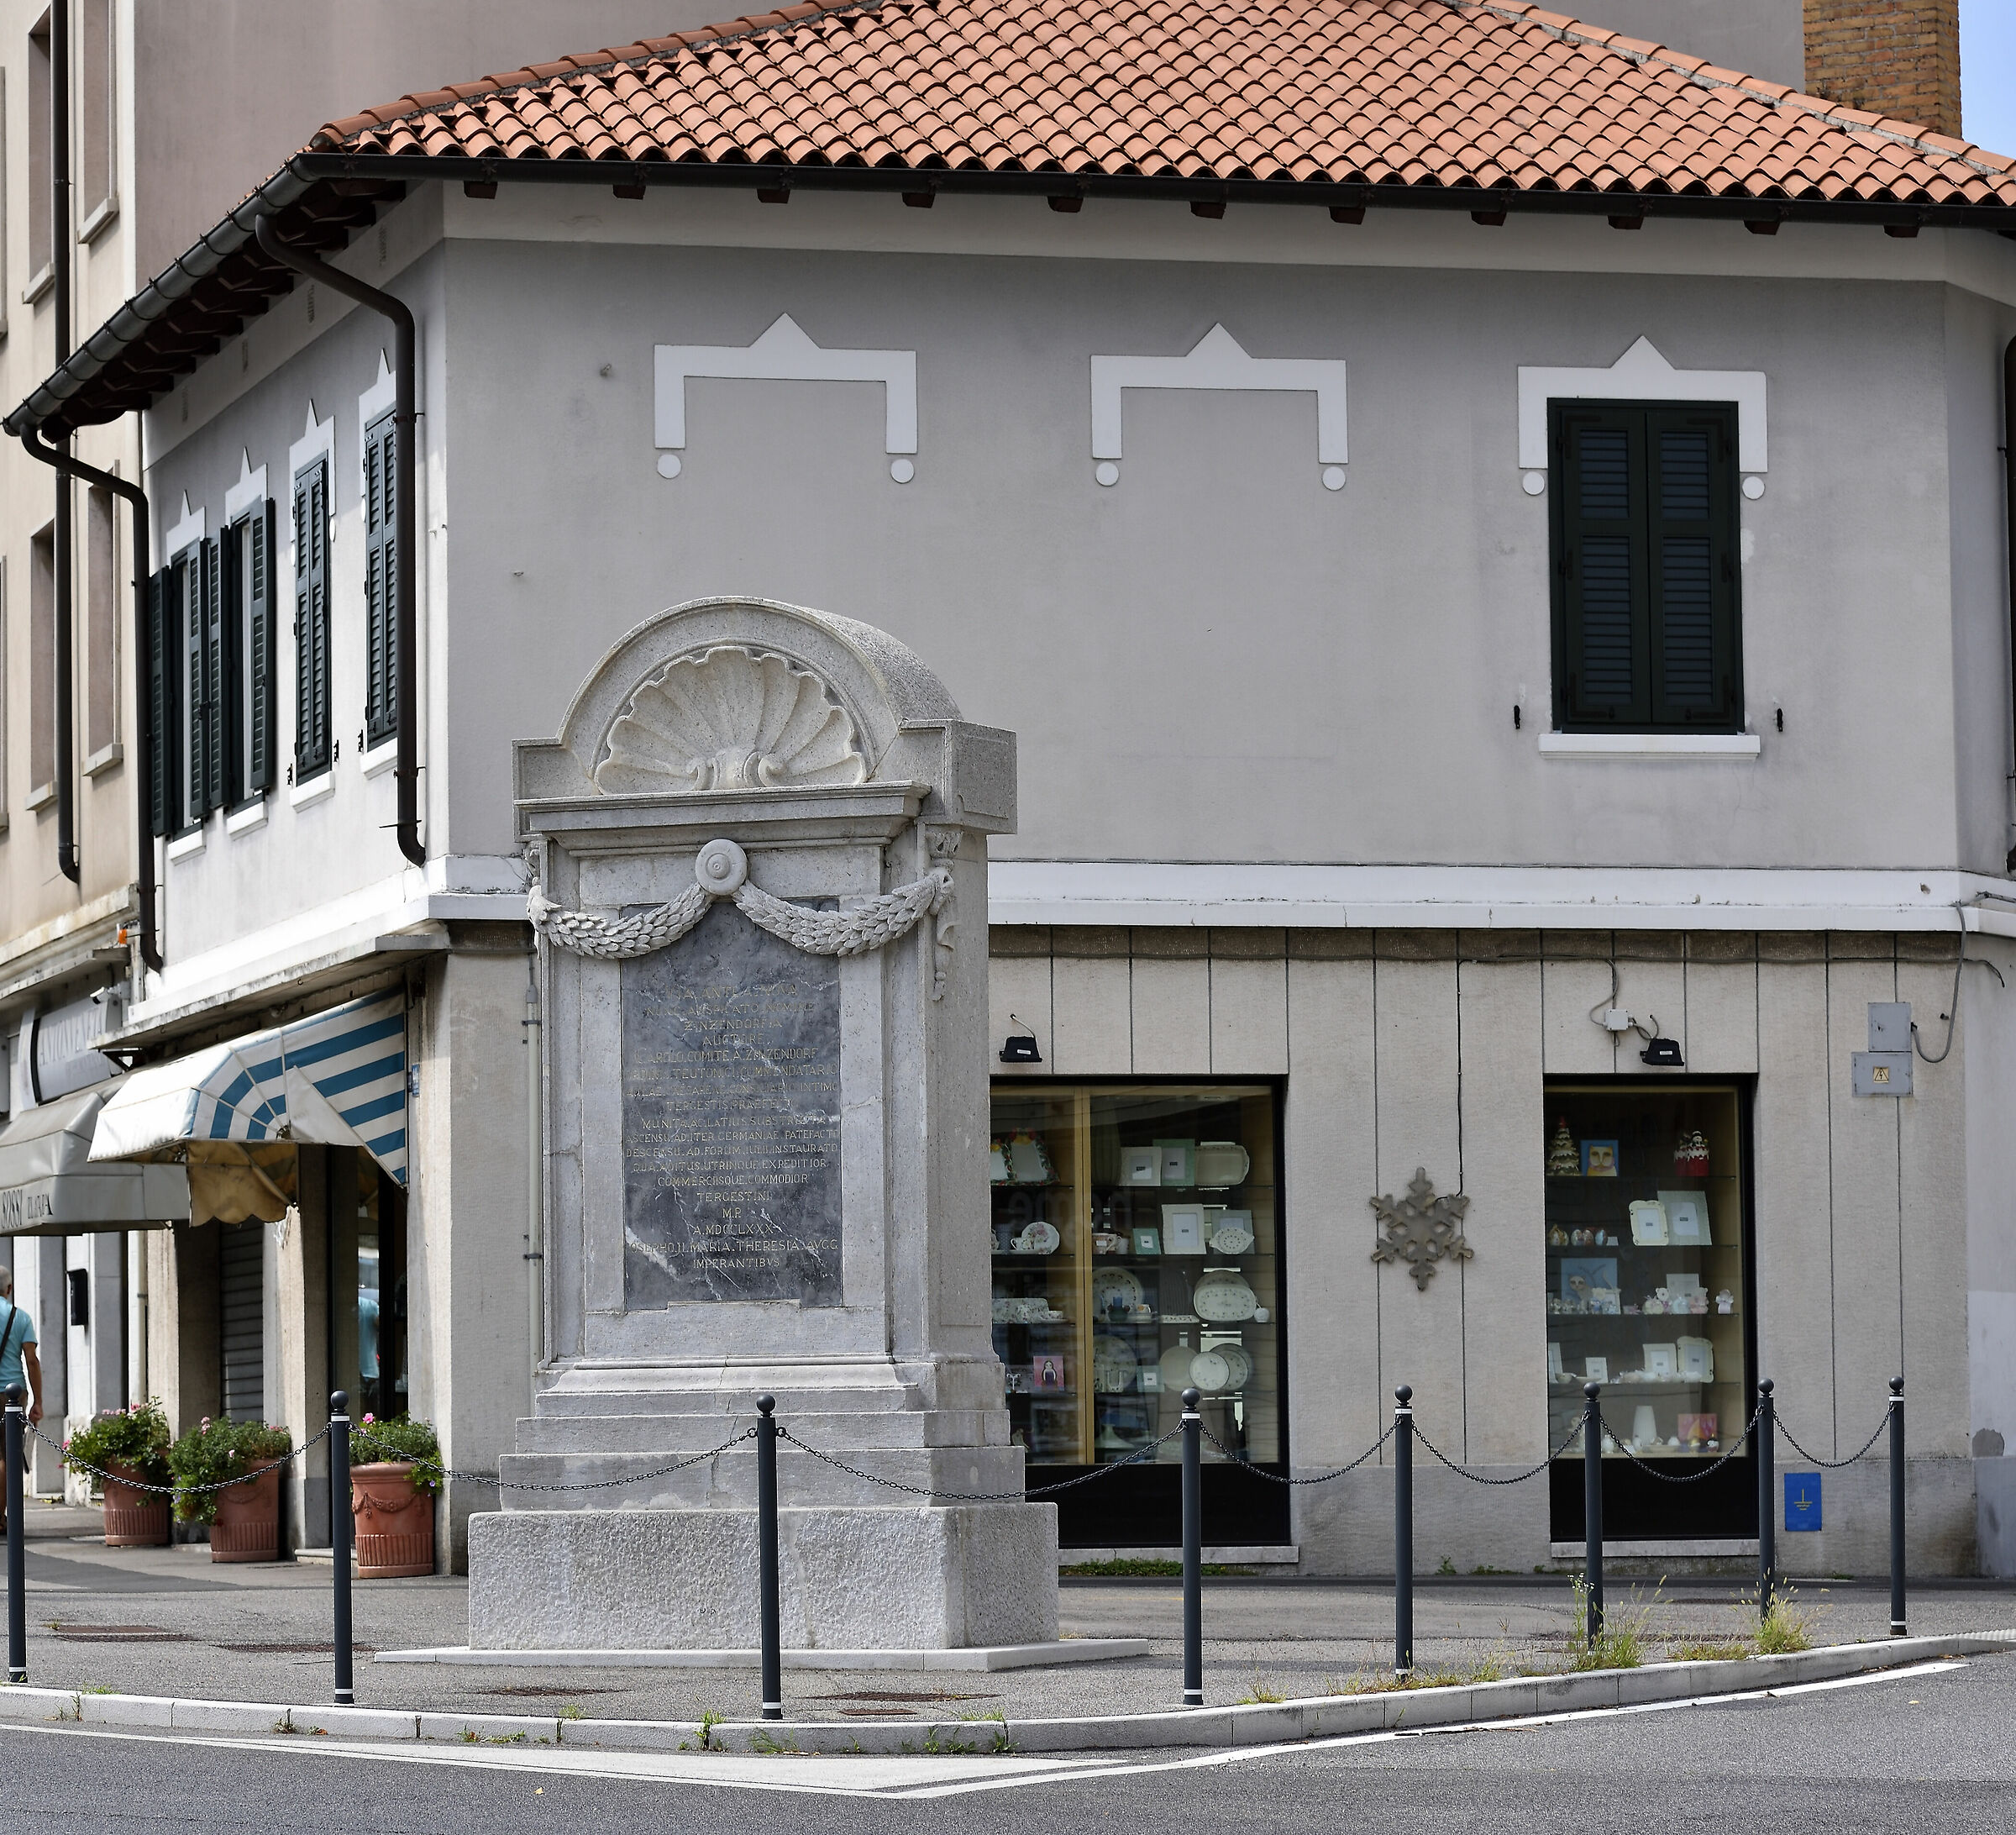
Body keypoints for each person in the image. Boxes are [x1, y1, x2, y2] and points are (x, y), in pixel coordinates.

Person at [0, 1268, 40, 1534]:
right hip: (11, 1393)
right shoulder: (20, 1317)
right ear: (9, 1288)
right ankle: (0, 1517)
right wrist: (39, 1400)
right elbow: (32, 1360)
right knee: (5, 1455)